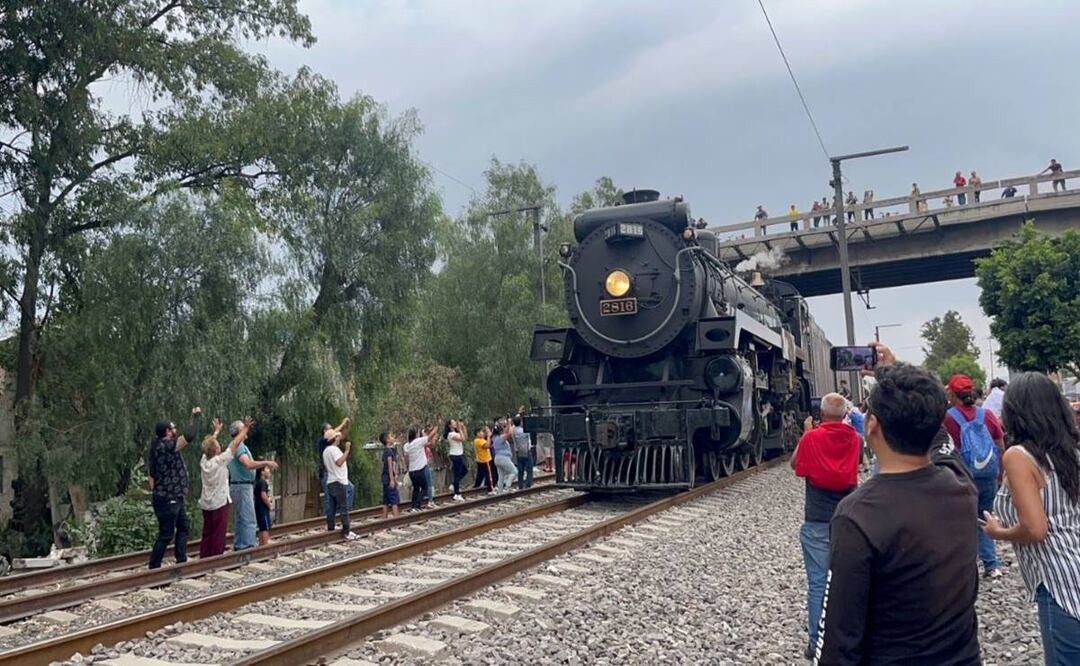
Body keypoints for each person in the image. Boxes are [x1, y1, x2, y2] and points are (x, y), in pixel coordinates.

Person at [815, 343, 981, 663]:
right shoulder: (960, 485)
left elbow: (839, 637)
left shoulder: (857, 516)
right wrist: (891, 371)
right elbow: (937, 430)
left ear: (872, 425)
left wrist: (886, 375)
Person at [983, 372, 1080, 664]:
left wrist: (998, 532)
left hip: (1058, 578)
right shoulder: (1072, 450)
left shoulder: (1019, 457)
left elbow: (1036, 529)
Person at [790, 393, 861, 659]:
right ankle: (849, 639)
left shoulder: (812, 437)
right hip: (848, 521)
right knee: (848, 581)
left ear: (821, 414)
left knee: (819, 583)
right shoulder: (854, 439)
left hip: (817, 520)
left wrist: (807, 433)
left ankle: (816, 642)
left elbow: (796, 465)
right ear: (845, 414)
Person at [944, 373, 1005, 579]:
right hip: (988, 474)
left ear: (952, 394)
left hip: (961, 474)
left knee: (960, 521)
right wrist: (1000, 472)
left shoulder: (948, 417)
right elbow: (1000, 444)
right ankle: (992, 565)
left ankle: (964, 568)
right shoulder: (986, 414)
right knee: (985, 517)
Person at [148, 407, 202, 569]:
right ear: (167, 432)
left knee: (184, 525)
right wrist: (197, 417)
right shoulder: (166, 446)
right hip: (168, 496)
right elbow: (190, 435)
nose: (176, 430)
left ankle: (181, 559)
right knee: (166, 533)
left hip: (173, 496)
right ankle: (154, 566)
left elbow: (151, 475)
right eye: (173, 428)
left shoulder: (156, 446)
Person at [197, 417, 251, 558]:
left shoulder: (203, 462)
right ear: (216, 449)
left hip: (206, 502)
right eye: (217, 445)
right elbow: (235, 444)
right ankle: (216, 557)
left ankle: (205, 555)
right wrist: (245, 428)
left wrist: (216, 432)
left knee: (207, 531)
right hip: (219, 501)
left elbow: (207, 447)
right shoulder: (220, 461)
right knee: (218, 532)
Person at [228, 420, 278, 551]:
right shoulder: (239, 447)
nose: (247, 432)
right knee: (249, 519)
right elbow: (248, 464)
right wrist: (266, 462)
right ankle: (249, 547)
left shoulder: (237, 446)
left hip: (240, 485)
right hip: (242, 486)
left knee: (241, 519)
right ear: (239, 432)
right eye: (244, 429)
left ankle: (240, 545)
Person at [323, 436, 359, 539]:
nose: (339, 438)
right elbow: (339, 462)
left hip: (330, 481)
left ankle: (331, 528)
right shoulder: (334, 450)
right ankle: (346, 531)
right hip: (339, 481)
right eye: (337, 436)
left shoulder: (325, 451)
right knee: (344, 508)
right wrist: (347, 451)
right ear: (334, 439)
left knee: (332, 508)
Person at [317, 417, 351, 531]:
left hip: (332, 478)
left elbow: (339, 434)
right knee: (336, 503)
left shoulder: (327, 449)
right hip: (336, 478)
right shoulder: (325, 444)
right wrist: (342, 423)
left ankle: (331, 525)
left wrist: (345, 426)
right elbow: (339, 462)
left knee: (332, 503)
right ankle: (345, 528)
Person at [405, 425, 438, 511]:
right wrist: (437, 425)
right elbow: (431, 436)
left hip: (412, 471)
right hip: (420, 469)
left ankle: (413, 507)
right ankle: (417, 505)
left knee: (416, 489)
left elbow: (406, 458)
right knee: (425, 488)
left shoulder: (407, 445)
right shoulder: (418, 442)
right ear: (416, 434)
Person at [492, 420, 518, 493]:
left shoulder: (494, 438)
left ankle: (500, 492)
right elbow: (509, 433)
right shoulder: (501, 438)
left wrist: (508, 423)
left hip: (497, 458)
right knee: (514, 472)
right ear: (501, 431)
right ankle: (507, 487)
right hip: (503, 458)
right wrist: (509, 423)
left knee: (501, 476)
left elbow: (507, 431)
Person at [445, 419, 468, 502]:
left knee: (465, 470)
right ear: (450, 426)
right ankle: (457, 494)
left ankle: (454, 484)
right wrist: (460, 429)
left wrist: (463, 427)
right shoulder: (450, 434)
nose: (455, 423)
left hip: (459, 454)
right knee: (457, 474)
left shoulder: (456, 432)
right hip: (455, 455)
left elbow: (465, 437)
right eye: (453, 422)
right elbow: (462, 439)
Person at [380, 432, 400, 519]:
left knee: (386, 500)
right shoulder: (389, 452)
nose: (393, 437)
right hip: (388, 479)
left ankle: (384, 519)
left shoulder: (385, 451)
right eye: (391, 436)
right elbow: (390, 466)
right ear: (387, 440)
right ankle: (396, 519)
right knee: (394, 499)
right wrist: (392, 479)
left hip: (385, 478)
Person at [512, 415, 533, 490]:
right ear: (520, 422)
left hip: (518, 451)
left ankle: (520, 484)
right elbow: (528, 441)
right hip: (526, 451)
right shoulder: (525, 431)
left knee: (520, 469)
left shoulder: (513, 431)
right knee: (529, 468)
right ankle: (528, 483)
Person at [254, 466, 273, 546]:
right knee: (265, 528)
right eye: (267, 469)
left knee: (261, 528)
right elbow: (263, 495)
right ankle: (265, 546)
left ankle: (261, 546)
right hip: (263, 508)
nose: (269, 471)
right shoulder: (263, 482)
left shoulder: (257, 482)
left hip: (258, 507)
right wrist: (269, 505)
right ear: (262, 472)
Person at [473, 426, 495, 492]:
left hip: (480, 460)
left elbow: (490, 444)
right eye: (481, 432)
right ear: (477, 433)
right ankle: (490, 490)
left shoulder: (479, 440)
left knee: (480, 475)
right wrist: (488, 436)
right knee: (489, 475)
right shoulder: (479, 441)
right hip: (485, 460)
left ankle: (476, 487)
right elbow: (487, 446)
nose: (483, 433)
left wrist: (489, 435)